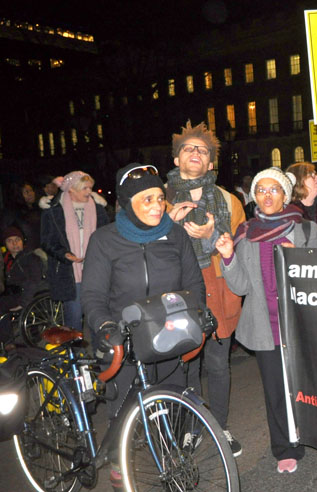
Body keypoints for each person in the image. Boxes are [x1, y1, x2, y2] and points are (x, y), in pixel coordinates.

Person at [215, 168, 317, 479]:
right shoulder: (245, 233)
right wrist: (229, 257)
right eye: (261, 190)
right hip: (264, 325)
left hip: (302, 325)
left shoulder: (306, 230)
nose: (267, 196)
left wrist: (300, 258)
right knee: (276, 391)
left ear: (285, 196)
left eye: (274, 190)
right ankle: (286, 448)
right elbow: (241, 287)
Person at [81, 163, 205, 488]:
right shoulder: (104, 240)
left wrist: (199, 312)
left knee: (173, 407)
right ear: (127, 202)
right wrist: (104, 325)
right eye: (146, 199)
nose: (156, 206)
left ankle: (171, 460)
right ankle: (121, 466)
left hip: (169, 335)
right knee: (123, 416)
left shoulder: (175, 234)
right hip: (122, 340)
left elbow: (194, 282)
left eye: (159, 197)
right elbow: (92, 294)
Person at [165, 120, 246, 456]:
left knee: (217, 362)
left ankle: (220, 426)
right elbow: (143, 247)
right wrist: (170, 225)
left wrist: (212, 236)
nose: (195, 153)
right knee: (186, 363)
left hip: (218, 285)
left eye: (202, 150)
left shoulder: (229, 200)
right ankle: (190, 427)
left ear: (211, 162)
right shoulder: (158, 200)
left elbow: (240, 250)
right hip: (178, 287)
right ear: (176, 159)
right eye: (188, 148)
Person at [40, 171, 109, 333]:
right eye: (84, 188)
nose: (89, 192)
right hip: (69, 272)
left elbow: (107, 236)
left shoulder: (98, 210)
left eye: (90, 188)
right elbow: (47, 241)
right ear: (71, 189)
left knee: (97, 313)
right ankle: (75, 354)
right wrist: (64, 254)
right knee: (74, 315)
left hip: (95, 270)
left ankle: (101, 351)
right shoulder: (53, 212)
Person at [1, 226, 47, 343]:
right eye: (10, 241)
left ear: (23, 241)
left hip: (30, 295)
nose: (14, 243)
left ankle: (8, 342)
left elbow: (33, 281)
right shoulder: (8, 260)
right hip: (16, 293)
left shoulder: (30, 257)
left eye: (17, 239)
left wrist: (23, 303)